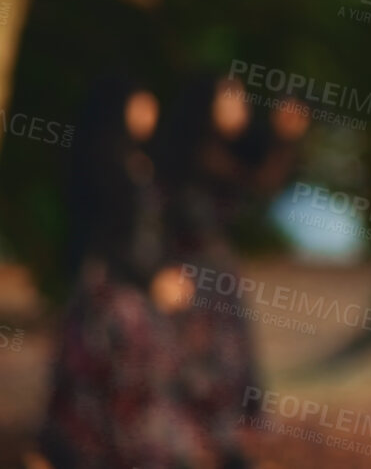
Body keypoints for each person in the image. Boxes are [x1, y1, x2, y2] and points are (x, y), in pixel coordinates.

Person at [39, 76, 211, 469]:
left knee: (150, 375)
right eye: (141, 105)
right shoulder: (101, 161)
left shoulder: (141, 163)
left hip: (138, 283)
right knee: (110, 373)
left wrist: (166, 272)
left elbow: (154, 229)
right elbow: (108, 235)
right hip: (112, 286)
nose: (149, 115)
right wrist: (149, 277)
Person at [157, 75, 308, 469]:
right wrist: (283, 138)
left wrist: (282, 139)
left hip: (212, 271)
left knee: (218, 365)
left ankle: (218, 446)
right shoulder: (199, 154)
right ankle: (195, 447)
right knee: (199, 363)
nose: (241, 108)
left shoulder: (213, 150)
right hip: (194, 273)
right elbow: (257, 185)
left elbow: (258, 187)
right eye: (232, 99)